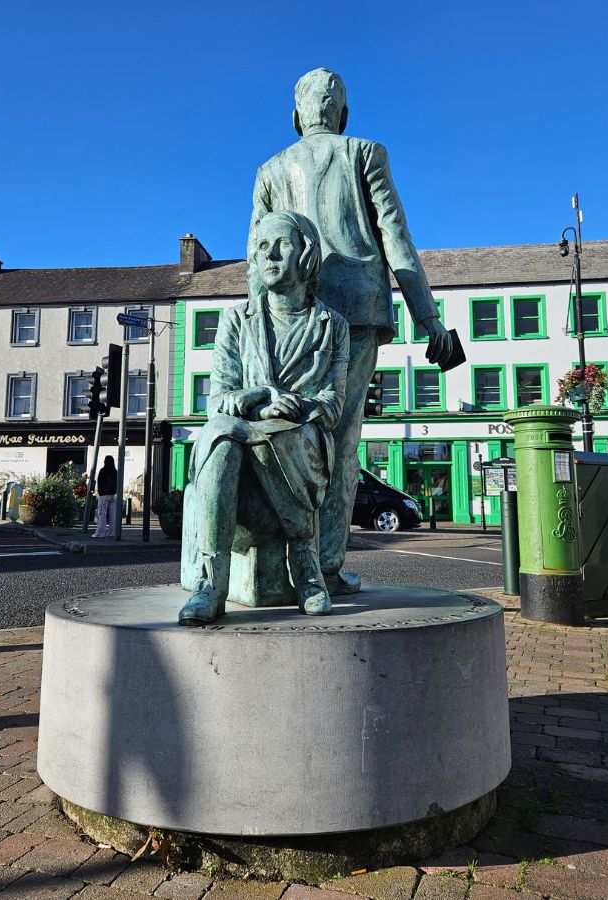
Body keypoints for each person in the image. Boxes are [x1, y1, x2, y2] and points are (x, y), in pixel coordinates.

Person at [250, 68, 459, 596]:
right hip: (360, 309)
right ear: (341, 113)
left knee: (285, 432)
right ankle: (324, 566)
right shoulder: (365, 152)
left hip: (289, 311)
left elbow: (258, 253)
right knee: (341, 442)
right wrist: (427, 316)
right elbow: (394, 232)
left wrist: (255, 323)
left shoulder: (270, 169)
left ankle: (279, 565)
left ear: (297, 116)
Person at [179, 211, 349, 625]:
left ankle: (305, 562)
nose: (270, 254)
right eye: (261, 247)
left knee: (278, 436)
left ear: (306, 256)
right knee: (220, 434)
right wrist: (262, 397)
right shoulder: (237, 319)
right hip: (242, 428)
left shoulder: (331, 325)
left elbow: (333, 400)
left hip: (299, 438)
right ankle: (209, 582)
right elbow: (218, 398)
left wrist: (296, 408)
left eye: (282, 245)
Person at [91, 456, 118, 538]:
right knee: (112, 514)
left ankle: (101, 533)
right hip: (113, 495)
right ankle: (112, 532)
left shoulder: (103, 471)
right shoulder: (115, 471)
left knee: (102, 514)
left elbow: (99, 483)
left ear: (105, 461)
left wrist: (99, 492)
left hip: (103, 495)